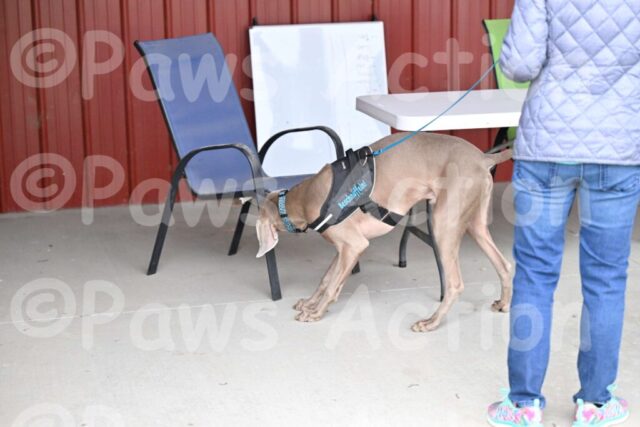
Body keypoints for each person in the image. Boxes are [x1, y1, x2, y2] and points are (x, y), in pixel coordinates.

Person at [486, 1, 640, 426]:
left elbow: (519, 65)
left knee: (535, 275)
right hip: (618, 149)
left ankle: (523, 405)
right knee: (606, 279)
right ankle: (596, 404)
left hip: (546, 147)